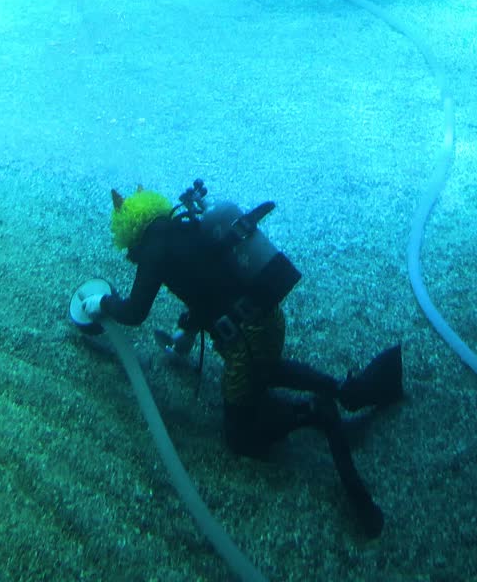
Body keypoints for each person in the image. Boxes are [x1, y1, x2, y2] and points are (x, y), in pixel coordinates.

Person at [77, 181, 404, 538]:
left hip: (245, 339)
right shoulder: (183, 227)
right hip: (267, 318)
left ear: (129, 228)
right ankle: (343, 389)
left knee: (240, 435)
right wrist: (188, 332)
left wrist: (101, 303)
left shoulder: (154, 249)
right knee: (266, 370)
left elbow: (135, 311)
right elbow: (205, 282)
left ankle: (315, 412)